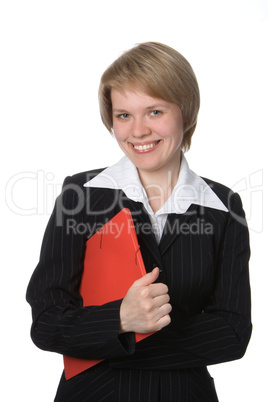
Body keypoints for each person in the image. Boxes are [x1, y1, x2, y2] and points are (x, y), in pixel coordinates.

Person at [26, 42, 252, 401]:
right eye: (124, 115)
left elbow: (233, 331)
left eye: (155, 111)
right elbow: (47, 322)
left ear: (186, 112)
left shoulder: (224, 207)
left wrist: (118, 347)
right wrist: (120, 319)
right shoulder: (79, 195)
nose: (139, 131)